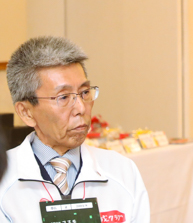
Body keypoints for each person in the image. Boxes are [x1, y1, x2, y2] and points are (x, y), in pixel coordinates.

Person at [0, 36, 150, 222]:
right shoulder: (4, 182)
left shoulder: (122, 171)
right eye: (63, 97)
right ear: (26, 112)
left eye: (84, 92)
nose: (81, 108)